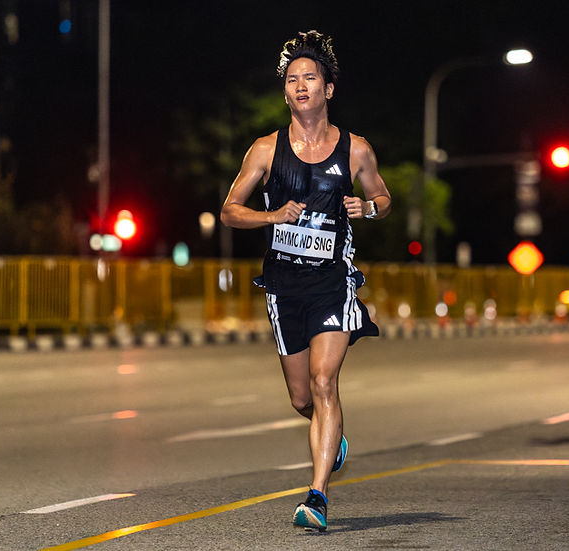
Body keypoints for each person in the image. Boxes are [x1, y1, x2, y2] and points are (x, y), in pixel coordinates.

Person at [220, 30, 391, 531]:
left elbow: (383, 198)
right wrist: (270, 219)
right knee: (302, 398)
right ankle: (332, 438)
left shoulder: (355, 149)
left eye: (309, 77)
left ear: (328, 89)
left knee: (323, 382)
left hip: (332, 281)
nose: (300, 86)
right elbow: (229, 212)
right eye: (292, 79)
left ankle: (316, 496)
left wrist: (369, 210)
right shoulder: (265, 150)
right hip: (282, 286)